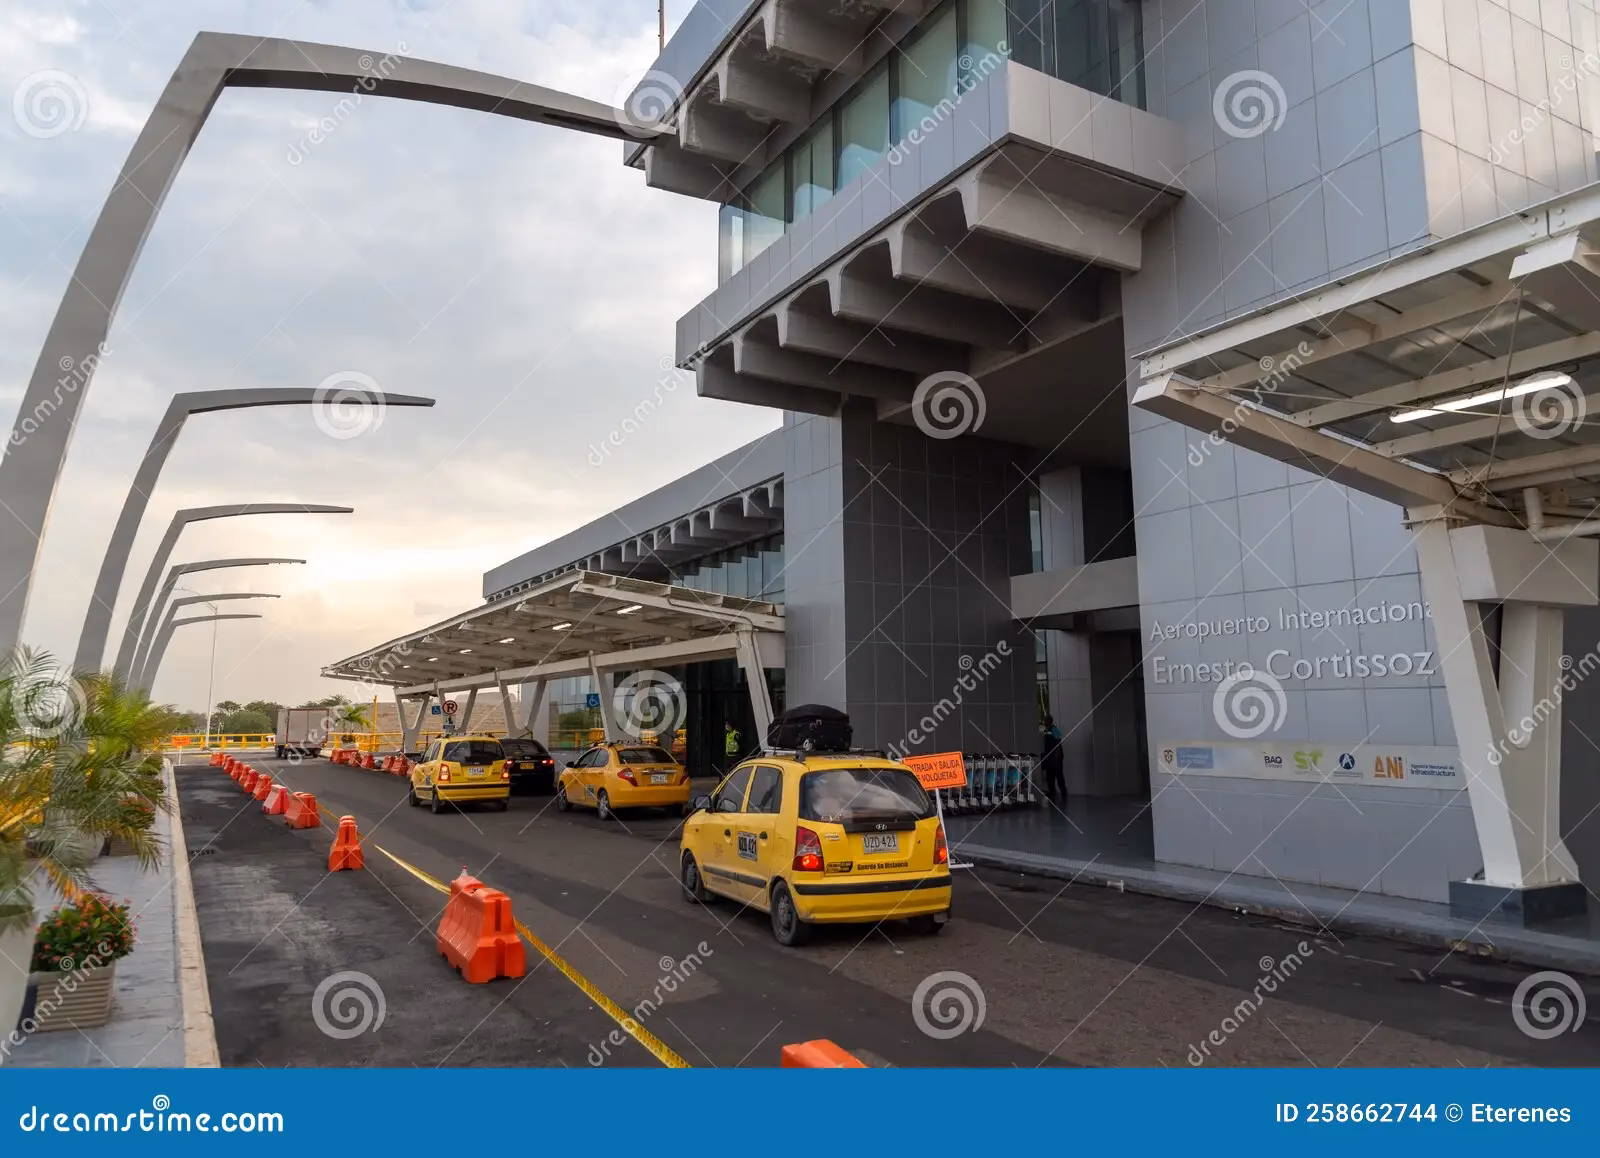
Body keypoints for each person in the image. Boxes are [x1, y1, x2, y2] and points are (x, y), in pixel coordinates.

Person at [1040, 715, 1066, 804]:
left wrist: (1056, 757)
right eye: (1044, 721)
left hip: (1055, 758)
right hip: (1049, 758)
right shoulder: (1046, 731)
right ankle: (1052, 794)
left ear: (1050, 721)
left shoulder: (1054, 729)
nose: (1045, 722)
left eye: (1046, 721)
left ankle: (1064, 795)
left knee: (1059, 777)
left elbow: (1058, 744)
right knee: (1050, 778)